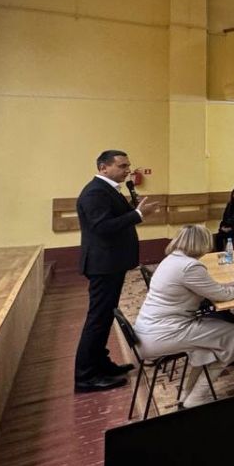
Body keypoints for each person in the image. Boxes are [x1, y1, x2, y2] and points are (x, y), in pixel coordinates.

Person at [134, 225, 234, 407]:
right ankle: (196, 398)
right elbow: (222, 295)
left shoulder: (172, 260)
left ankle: (188, 394)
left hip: (149, 331)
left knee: (207, 347)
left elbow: (210, 288)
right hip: (163, 334)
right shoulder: (190, 266)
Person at [73, 149, 156, 392]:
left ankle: (101, 364)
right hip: (103, 264)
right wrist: (138, 214)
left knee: (105, 317)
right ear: (103, 167)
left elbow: (116, 219)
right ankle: (86, 376)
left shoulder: (109, 190)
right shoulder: (95, 192)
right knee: (97, 320)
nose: (127, 170)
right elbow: (102, 227)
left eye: (128, 165)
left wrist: (135, 210)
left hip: (111, 263)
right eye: (122, 166)